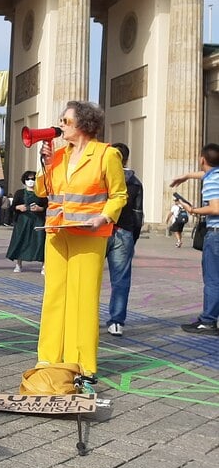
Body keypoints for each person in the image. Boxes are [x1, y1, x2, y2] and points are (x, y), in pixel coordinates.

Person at [33, 101, 126, 377]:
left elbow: (119, 195)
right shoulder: (58, 155)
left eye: (66, 121)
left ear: (84, 125)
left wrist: (105, 217)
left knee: (83, 298)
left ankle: (82, 364)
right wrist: (45, 165)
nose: (60, 125)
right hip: (56, 232)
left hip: (89, 233)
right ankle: (48, 359)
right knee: (54, 296)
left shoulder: (106, 155)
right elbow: (42, 191)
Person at [170, 143, 219, 336]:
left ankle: (208, 322)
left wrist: (193, 211)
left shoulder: (212, 180)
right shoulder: (215, 175)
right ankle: (209, 316)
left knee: (213, 279)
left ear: (202, 159)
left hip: (215, 233)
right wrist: (188, 176)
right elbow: (207, 174)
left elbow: (215, 208)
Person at [104, 142, 143, 337]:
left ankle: (84, 318)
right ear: (126, 158)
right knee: (120, 279)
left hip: (99, 230)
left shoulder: (102, 176)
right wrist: (132, 238)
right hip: (124, 232)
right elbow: (138, 214)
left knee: (88, 276)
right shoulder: (135, 182)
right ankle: (117, 321)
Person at [5, 170, 47, 273]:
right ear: (24, 180)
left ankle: (44, 265)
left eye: (33, 179)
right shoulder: (19, 193)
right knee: (21, 240)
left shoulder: (41, 193)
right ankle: (18, 264)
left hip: (38, 220)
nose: (30, 181)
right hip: (23, 221)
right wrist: (18, 207)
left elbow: (47, 206)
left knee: (40, 241)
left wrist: (40, 209)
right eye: (28, 179)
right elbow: (12, 207)